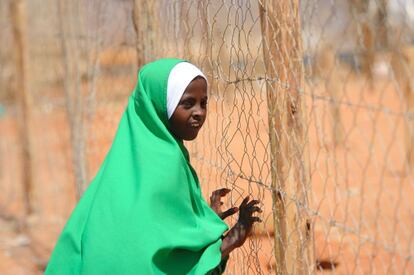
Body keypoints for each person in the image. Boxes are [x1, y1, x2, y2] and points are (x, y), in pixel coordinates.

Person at [45, 58, 262, 274]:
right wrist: (230, 241)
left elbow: (155, 232)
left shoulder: (126, 159)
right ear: (158, 105)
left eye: (203, 103)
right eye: (187, 103)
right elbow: (159, 261)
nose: (199, 112)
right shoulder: (166, 163)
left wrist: (204, 222)